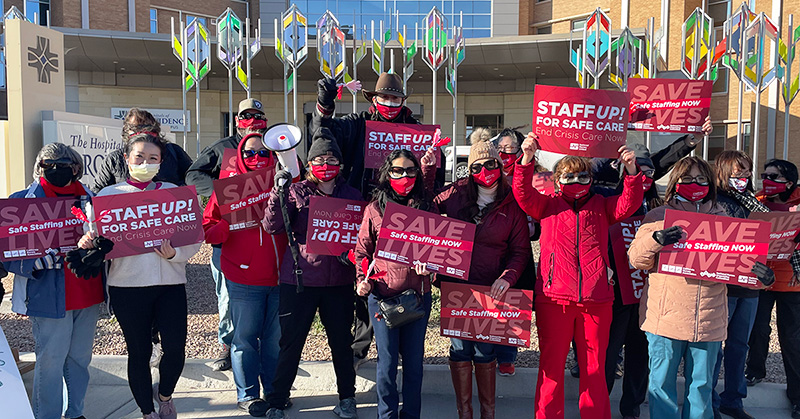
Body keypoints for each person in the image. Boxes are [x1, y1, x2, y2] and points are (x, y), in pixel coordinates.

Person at [628, 156, 774, 419]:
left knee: (702, 388)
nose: (694, 184)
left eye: (701, 180)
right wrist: (655, 239)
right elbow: (637, 259)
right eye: (687, 179)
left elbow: (741, 267)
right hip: (665, 319)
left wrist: (763, 277)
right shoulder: (658, 215)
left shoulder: (726, 220)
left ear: (711, 184)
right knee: (662, 387)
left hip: (709, 319)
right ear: (675, 183)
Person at [311, 72, 441, 368]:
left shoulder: (416, 131)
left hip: (403, 216)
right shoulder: (359, 124)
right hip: (363, 211)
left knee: (396, 277)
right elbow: (324, 134)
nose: (390, 102)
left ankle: (395, 344)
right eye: (385, 97)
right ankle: (359, 348)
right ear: (374, 99)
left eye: (396, 98)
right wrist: (324, 104)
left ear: (403, 101)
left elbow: (430, 179)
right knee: (363, 274)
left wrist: (432, 163)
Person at [513, 133, 644, 419]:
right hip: (553, 299)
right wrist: (526, 158)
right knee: (551, 368)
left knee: (595, 370)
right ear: (557, 180)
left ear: (591, 180)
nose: (576, 183)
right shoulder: (546, 205)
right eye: (569, 177)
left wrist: (632, 171)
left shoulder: (602, 206)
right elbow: (522, 193)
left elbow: (629, 205)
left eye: (582, 178)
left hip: (596, 301)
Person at [81, 133, 201, 419]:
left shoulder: (175, 193)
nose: (145, 162)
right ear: (126, 159)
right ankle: (147, 412)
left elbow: (195, 236)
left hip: (170, 284)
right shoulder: (107, 198)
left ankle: (165, 395)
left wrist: (176, 255)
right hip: (127, 287)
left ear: (160, 163)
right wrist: (88, 240)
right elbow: (95, 237)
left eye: (152, 158)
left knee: (175, 349)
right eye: (139, 157)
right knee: (139, 352)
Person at [261, 128, 363, 419]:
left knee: (342, 344)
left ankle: (347, 398)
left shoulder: (353, 196)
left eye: (331, 159)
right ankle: (278, 401)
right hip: (299, 280)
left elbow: (362, 236)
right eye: (319, 159)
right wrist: (276, 193)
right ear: (309, 164)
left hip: (340, 282)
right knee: (290, 343)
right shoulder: (295, 192)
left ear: (340, 164)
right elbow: (272, 227)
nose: (325, 164)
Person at [433, 132, 531, 418]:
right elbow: (424, 211)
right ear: (469, 170)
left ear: (500, 166)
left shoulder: (513, 202)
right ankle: (465, 412)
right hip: (458, 288)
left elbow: (521, 251)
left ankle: (488, 413)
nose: (484, 172)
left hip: (492, 290)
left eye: (490, 165)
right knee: (461, 350)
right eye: (476, 167)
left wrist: (508, 277)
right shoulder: (453, 195)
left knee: (485, 352)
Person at [4, 143, 103, 419]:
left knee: (80, 360)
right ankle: (46, 415)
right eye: (50, 165)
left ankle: (75, 413)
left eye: (65, 165)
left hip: (88, 291)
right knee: (50, 362)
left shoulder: (93, 200)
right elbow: (6, 252)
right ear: (40, 168)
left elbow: (114, 239)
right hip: (48, 296)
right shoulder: (21, 202)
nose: (57, 170)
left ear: (77, 169)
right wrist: (33, 263)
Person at [202, 131, 287, 417]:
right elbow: (207, 228)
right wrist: (223, 230)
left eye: (263, 152)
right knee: (245, 339)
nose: (256, 158)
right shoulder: (227, 188)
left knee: (274, 341)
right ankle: (248, 395)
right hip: (243, 278)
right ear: (240, 155)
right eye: (249, 153)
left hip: (280, 277)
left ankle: (275, 394)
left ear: (272, 155)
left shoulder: (285, 182)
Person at [186, 98, 269, 371]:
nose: (253, 120)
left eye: (258, 115)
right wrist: (222, 195)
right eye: (247, 115)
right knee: (227, 295)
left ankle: (255, 347)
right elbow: (193, 175)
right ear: (237, 120)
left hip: (264, 240)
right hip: (229, 237)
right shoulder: (223, 149)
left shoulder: (272, 147)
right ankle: (227, 344)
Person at [354, 149, 436, 419]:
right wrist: (361, 281)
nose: (404, 176)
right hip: (383, 297)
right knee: (386, 365)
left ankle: (411, 415)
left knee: (414, 366)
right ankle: (386, 416)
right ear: (387, 174)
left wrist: (431, 267)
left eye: (411, 170)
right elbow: (362, 252)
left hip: (418, 296)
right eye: (398, 170)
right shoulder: (374, 208)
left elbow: (439, 248)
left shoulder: (427, 207)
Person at [710, 151, 765, 419]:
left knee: (740, 346)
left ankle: (733, 400)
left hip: (750, 285)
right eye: (736, 172)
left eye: (745, 172)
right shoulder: (714, 202)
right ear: (722, 172)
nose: (741, 177)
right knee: (714, 346)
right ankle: (709, 401)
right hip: (724, 285)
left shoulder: (755, 203)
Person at [745, 159, 800, 419]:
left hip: (793, 282)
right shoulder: (758, 202)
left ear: (789, 182)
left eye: (773, 176)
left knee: (792, 339)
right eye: (765, 175)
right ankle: (755, 370)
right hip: (763, 279)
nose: (767, 179)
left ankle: (797, 395)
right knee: (757, 328)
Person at [93, 107, 193, 193]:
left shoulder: (173, 151)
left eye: (147, 128)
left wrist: (174, 194)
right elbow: (98, 192)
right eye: (136, 128)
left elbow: (192, 177)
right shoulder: (113, 159)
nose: (142, 133)